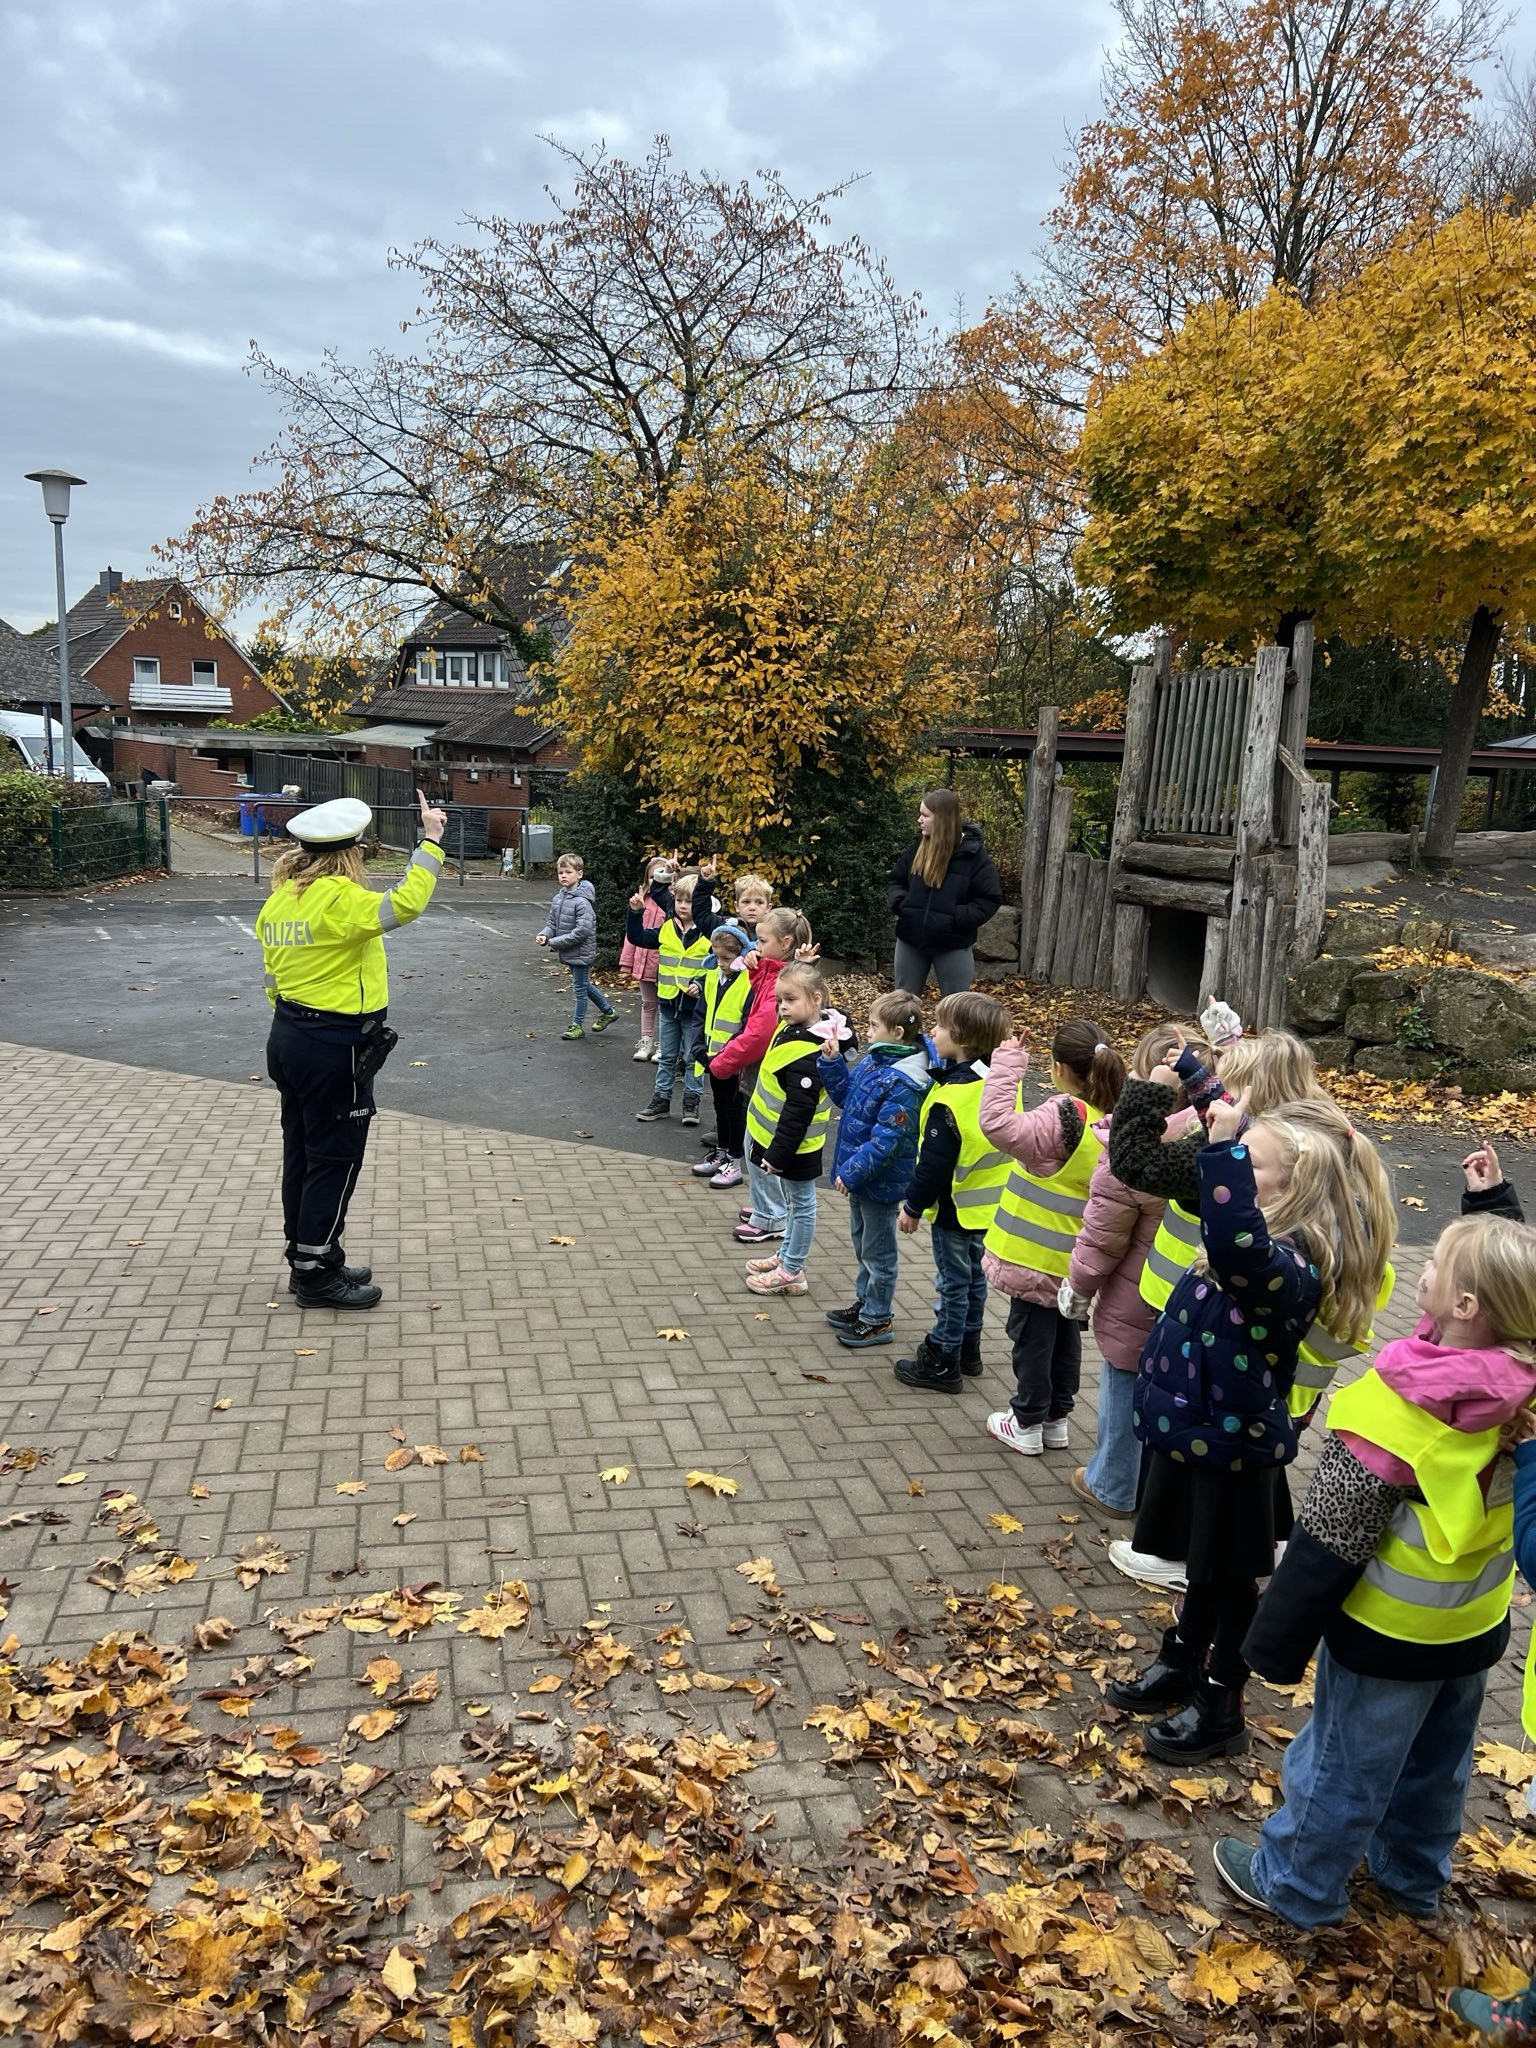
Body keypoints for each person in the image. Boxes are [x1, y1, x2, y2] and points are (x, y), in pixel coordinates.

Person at [1215, 1160, 1536, 1934]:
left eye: (1435, 1266)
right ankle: (1412, 1878)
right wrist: (1492, 1209)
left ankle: (1295, 1882)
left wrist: (1272, 1644)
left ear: (1464, 1305)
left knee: (1344, 1765)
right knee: (1438, 1766)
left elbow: (1330, 1539)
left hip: (1386, 1633)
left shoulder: (1403, 1408)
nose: (1419, 1271)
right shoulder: (1522, 1384)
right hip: (1470, 1631)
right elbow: (1515, 1290)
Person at [1108, 1099, 1371, 1764]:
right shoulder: (1253, 1224)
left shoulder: (1295, 1260)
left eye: (1251, 1159)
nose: (1230, 1162)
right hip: (1198, 1431)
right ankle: (1181, 1662)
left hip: (1232, 1445)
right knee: (1204, 1569)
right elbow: (1225, 1217)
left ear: (1292, 1184)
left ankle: (1222, 1703)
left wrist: (1223, 1149)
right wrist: (1210, 1102)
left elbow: (1238, 1247)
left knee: (1229, 1579)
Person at [1105, 1024, 1335, 1591]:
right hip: (1296, 1340)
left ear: (1254, 1093)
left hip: (1219, 1330)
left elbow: (1137, 1163)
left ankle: (1185, 1560)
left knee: (1208, 1449)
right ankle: (1257, 1544)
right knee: (1257, 1455)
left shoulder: (1244, 1156)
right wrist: (1191, 1071)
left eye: (1231, 1084)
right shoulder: (1320, 1147)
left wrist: (1148, 1088)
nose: (1218, 1098)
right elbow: (1221, 1104)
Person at [259, 791, 446, 1309]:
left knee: (302, 1151)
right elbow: (406, 903)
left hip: (289, 1035)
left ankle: (310, 1256)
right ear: (350, 854)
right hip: (332, 1046)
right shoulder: (339, 899)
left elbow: (274, 978)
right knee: (335, 1158)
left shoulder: (280, 900)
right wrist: (430, 841)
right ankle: (317, 1274)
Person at [1065, 1025, 1203, 1519]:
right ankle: (1161, 1494)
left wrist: (1078, 1288)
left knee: (1123, 1390)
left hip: (1137, 1296)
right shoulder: (1216, 1136)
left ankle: (1113, 1485)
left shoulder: (1132, 1148)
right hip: (1193, 1300)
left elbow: (1102, 1237)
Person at [978, 1020, 1128, 1456]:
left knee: (1032, 1337)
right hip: (1076, 1261)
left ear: (1059, 1068)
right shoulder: (1113, 1121)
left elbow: (999, 1126)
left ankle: (1026, 1420)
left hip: (1033, 1256)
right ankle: (1056, 1418)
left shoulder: (1066, 1116)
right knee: (1064, 1336)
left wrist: (1007, 1064)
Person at [893, 990, 1013, 1393]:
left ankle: (944, 1359)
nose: (933, 1031)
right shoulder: (1001, 1083)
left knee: (952, 1285)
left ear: (961, 1037)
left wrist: (912, 1205)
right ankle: (969, 1349)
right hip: (990, 1205)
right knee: (975, 1281)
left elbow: (934, 1165)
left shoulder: (950, 1098)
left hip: (955, 1208)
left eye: (941, 1026)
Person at [818, 989, 933, 1351]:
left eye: (872, 1026)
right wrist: (833, 1063)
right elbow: (846, 1098)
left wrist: (851, 1172)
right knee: (862, 1242)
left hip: (878, 1181)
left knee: (878, 1250)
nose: (866, 1033)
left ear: (898, 1033)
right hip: (861, 1177)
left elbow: (890, 1140)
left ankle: (877, 1318)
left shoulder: (904, 1083)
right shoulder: (875, 1061)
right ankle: (865, 1302)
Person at [710, 908, 815, 1246]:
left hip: (767, 1074)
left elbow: (760, 1030)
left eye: (762, 939)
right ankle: (769, 1206)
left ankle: (770, 1215)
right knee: (756, 1141)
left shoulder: (783, 983)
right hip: (766, 1072)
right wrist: (758, 967)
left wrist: (722, 1063)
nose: (755, 944)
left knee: (757, 1145)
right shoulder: (777, 974)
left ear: (785, 943)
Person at [740, 963, 836, 1298]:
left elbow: (798, 1112)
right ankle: (786, 1257)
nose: (782, 1006)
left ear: (816, 999)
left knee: (803, 1204)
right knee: (797, 1204)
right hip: (781, 1141)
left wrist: (777, 1155)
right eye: (780, 999)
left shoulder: (809, 1054)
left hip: (795, 1146)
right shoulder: (800, 1028)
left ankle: (792, 1269)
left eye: (790, 999)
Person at [887, 788, 1002, 998]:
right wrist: (903, 906)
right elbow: (897, 880)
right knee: (902, 1006)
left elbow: (989, 898)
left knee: (956, 1009)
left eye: (925, 815)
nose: (919, 820)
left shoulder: (974, 855)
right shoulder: (918, 846)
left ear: (941, 819)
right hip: (911, 940)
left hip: (952, 944)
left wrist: (955, 919)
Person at [629, 873, 710, 1126]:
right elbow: (638, 938)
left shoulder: (710, 934)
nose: (684, 906)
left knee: (692, 1058)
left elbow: (718, 968)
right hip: (668, 1004)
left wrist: (700, 984)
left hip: (694, 1009)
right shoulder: (667, 928)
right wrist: (635, 914)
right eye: (680, 901)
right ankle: (661, 1100)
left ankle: (691, 1103)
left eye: (690, 901)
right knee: (666, 1057)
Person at [690, 921, 755, 1189]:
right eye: (716, 958)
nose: (721, 963)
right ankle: (723, 1152)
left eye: (726, 958)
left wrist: (727, 1056)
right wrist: (699, 1049)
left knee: (734, 1110)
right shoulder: (711, 979)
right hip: (712, 1059)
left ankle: (734, 1162)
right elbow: (700, 1016)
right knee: (719, 1107)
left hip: (734, 1062)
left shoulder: (748, 983)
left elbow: (746, 1026)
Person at [535, 852, 616, 1041]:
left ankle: (577, 1025)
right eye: (560, 872)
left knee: (580, 988)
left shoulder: (582, 902)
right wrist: (544, 934)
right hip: (569, 951)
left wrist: (553, 942)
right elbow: (552, 924)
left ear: (579, 874)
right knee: (584, 985)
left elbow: (582, 932)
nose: (563, 875)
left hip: (581, 952)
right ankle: (608, 1012)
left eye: (568, 872)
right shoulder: (559, 898)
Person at [619, 855, 675, 1062]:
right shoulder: (643, 900)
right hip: (644, 962)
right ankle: (646, 1042)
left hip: (663, 964)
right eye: (651, 876)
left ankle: (663, 1044)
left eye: (659, 875)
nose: (654, 880)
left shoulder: (671, 904)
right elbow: (632, 933)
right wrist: (627, 960)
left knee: (666, 1006)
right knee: (647, 1004)